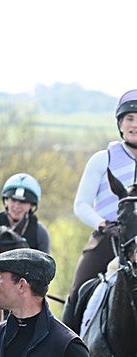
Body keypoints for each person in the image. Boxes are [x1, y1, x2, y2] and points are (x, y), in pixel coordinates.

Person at [62, 89, 137, 329]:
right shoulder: (102, 159)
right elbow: (81, 205)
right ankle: (66, 354)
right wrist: (103, 224)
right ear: (120, 124)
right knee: (77, 291)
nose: (135, 125)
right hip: (107, 237)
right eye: (130, 118)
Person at [0, 173, 50, 253]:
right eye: (13, 200)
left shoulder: (40, 233)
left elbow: (45, 264)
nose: (17, 206)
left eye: (23, 202)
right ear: (6, 201)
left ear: (32, 205)